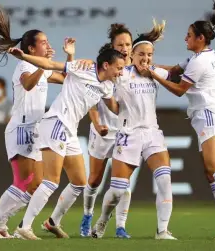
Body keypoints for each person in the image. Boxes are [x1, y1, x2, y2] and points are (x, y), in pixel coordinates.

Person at [148, 0, 215, 240]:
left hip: (209, 114)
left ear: (200, 38)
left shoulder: (200, 60)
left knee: (214, 165)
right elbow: (174, 70)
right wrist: (149, 65)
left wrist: (152, 74)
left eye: (189, 35)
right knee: (209, 170)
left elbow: (179, 88)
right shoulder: (203, 56)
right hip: (209, 114)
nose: (186, 39)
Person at [6, 42, 126, 240]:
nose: (121, 72)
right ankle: (23, 227)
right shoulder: (85, 68)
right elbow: (51, 65)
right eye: (119, 68)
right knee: (51, 181)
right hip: (56, 122)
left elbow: (115, 107)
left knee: (79, 182)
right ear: (106, 65)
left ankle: (52, 222)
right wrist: (24, 57)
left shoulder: (106, 86)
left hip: (70, 130)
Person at [0, 5, 70, 239]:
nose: (48, 46)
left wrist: (69, 57)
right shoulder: (25, 65)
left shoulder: (41, 68)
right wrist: (43, 66)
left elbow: (68, 79)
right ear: (31, 48)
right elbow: (28, 85)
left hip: (36, 130)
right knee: (24, 181)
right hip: (21, 128)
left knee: (35, 184)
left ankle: (0, 223)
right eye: (44, 42)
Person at [91, 20, 177, 240]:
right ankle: (102, 221)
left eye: (150, 55)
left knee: (165, 180)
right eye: (142, 55)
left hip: (152, 133)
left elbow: (180, 76)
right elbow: (113, 103)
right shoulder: (122, 75)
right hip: (129, 135)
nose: (146, 59)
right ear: (133, 55)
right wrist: (107, 99)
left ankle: (162, 231)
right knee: (118, 190)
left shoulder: (155, 72)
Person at [80, 23, 134, 239]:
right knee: (94, 179)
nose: (124, 48)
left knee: (123, 183)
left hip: (126, 132)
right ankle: (87, 215)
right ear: (112, 47)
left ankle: (121, 226)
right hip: (103, 131)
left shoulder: (138, 67)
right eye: (120, 44)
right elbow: (92, 99)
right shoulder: (104, 67)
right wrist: (95, 123)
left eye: (128, 44)